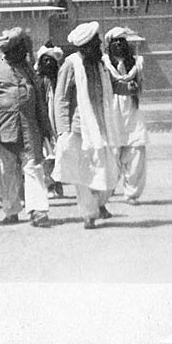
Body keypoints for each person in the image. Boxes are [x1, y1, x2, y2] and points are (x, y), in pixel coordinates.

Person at [0, 27, 54, 227]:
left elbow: (39, 102)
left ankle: (38, 211)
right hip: (4, 129)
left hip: (30, 129)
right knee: (7, 171)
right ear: (9, 51)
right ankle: (11, 210)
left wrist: (46, 127)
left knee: (34, 168)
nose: (24, 52)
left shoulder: (29, 70)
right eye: (20, 48)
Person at [53, 22, 125, 229]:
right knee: (84, 174)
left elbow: (114, 84)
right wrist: (62, 130)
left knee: (110, 170)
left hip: (103, 126)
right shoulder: (71, 65)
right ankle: (88, 214)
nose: (100, 46)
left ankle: (98, 204)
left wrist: (128, 86)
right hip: (79, 128)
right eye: (95, 43)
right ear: (84, 46)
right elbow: (61, 98)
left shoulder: (102, 64)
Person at [105, 31, 149, 204]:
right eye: (114, 42)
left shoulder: (137, 63)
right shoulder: (104, 63)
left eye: (121, 41)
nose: (118, 45)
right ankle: (107, 190)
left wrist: (134, 86)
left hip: (131, 108)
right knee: (111, 151)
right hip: (111, 109)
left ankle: (131, 193)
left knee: (136, 149)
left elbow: (141, 87)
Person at [35, 43, 66, 199]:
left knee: (60, 155)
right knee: (48, 156)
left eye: (51, 61)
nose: (48, 64)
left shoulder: (60, 79)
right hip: (44, 122)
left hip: (58, 122)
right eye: (45, 60)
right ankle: (50, 184)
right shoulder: (37, 81)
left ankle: (57, 182)